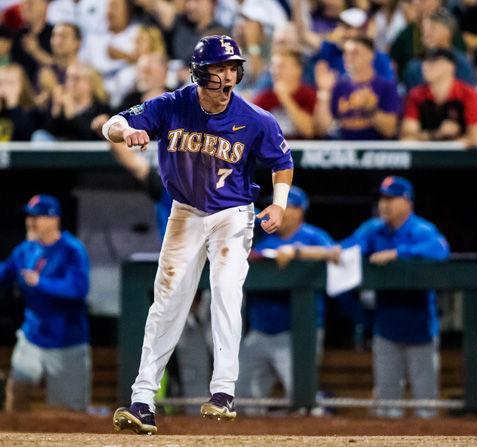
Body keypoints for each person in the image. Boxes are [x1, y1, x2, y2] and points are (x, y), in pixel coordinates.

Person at [102, 34, 294, 435]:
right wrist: (127, 133)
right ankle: (142, 401)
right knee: (167, 301)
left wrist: (279, 202)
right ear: (199, 72)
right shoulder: (173, 105)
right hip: (185, 211)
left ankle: (224, 391)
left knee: (226, 289)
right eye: (218, 69)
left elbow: (281, 159)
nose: (226, 78)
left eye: (231, 69)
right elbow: (112, 124)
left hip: (232, 212)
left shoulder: (254, 117)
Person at [341, 176, 449, 418]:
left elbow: (440, 250)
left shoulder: (420, 229)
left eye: (391, 198)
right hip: (386, 330)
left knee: (426, 406)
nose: (384, 204)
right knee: (386, 407)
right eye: (382, 198)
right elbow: (345, 249)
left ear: (407, 202)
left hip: (421, 330)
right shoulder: (373, 229)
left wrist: (399, 253)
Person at [238, 186, 338, 412]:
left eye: (282, 207)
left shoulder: (313, 236)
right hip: (260, 332)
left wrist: (297, 252)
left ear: (298, 210)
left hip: (297, 334)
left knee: (302, 399)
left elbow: (337, 253)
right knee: (242, 399)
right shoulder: (260, 237)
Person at [0, 194, 91, 412]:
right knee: (17, 391)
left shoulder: (71, 249)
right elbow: (5, 275)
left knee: (70, 413)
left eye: (37, 216)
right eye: (29, 216)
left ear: (53, 219)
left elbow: (78, 289)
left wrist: (41, 282)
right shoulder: (25, 250)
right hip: (33, 337)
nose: (30, 221)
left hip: (67, 342)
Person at [314, 36, 401, 140]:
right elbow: (322, 129)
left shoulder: (386, 86)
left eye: (355, 52)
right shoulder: (339, 86)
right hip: (344, 150)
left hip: (375, 150)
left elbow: (390, 130)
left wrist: (370, 109)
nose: (349, 57)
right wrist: (324, 92)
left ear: (371, 55)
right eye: (346, 53)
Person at [401, 48, 477, 147]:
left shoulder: (468, 95)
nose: (425, 66)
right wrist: (437, 134)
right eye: (424, 62)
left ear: (451, 67)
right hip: (427, 157)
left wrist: (453, 142)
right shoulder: (416, 95)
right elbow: (408, 135)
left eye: (433, 62)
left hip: (462, 159)